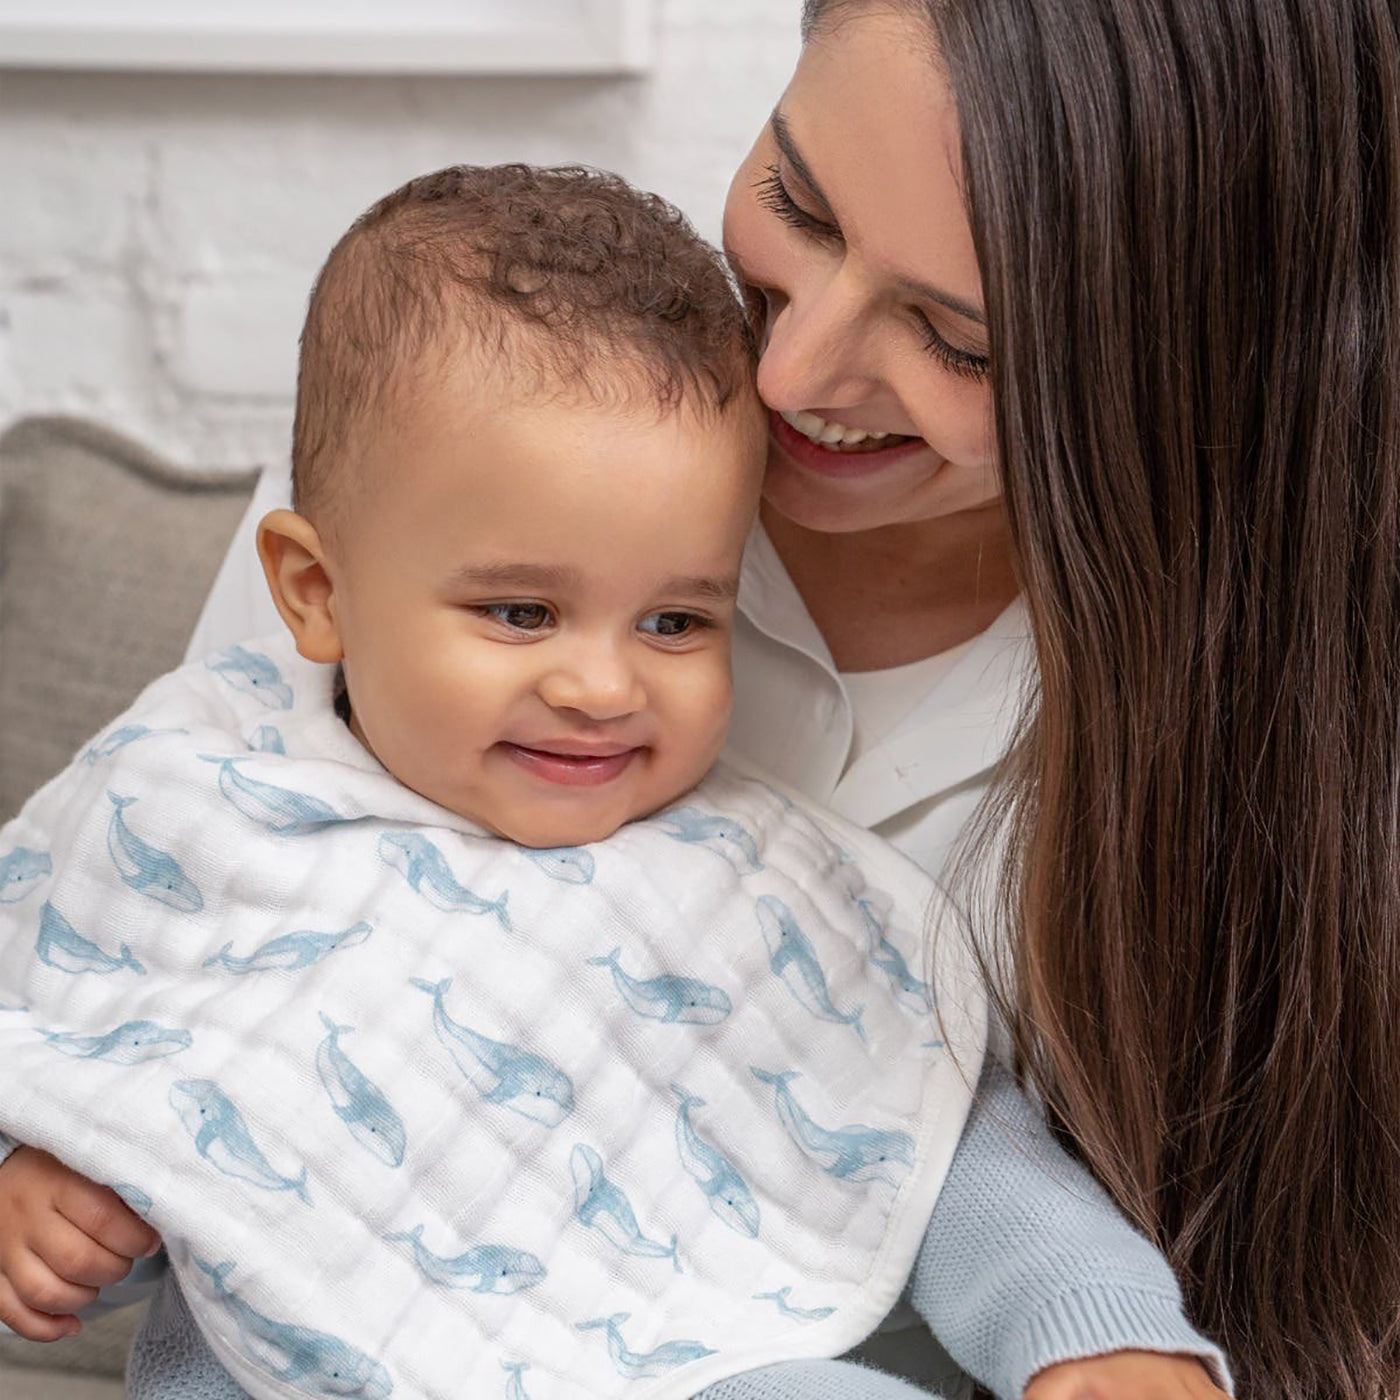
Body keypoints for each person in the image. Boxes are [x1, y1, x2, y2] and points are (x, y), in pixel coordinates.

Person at [184, 1, 1400, 1397]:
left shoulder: (1292, 722)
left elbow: (963, 1162)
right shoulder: (433, 479)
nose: (790, 373)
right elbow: (140, 969)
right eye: (800, 204)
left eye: (959, 343)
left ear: (1185, 364)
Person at [0, 166, 1231, 1400]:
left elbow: (934, 1138)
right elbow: (84, 1056)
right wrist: (52, 1191)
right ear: (316, 592)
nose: (601, 686)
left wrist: (1092, 1321)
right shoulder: (198, 797)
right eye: (521, 609)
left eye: (676, 622)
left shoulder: (743, 885)